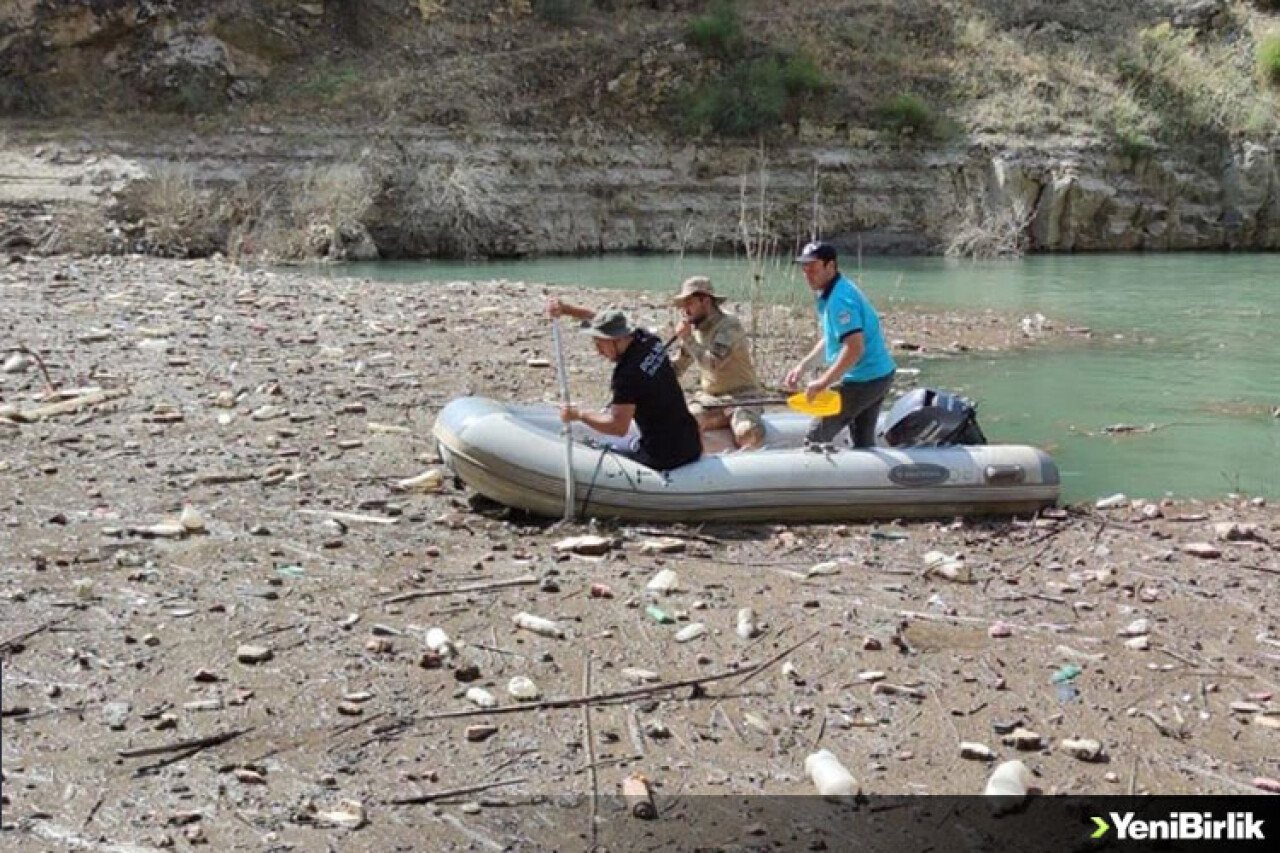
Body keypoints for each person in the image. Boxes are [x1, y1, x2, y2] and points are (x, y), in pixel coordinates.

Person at [547, 298, 702, 471]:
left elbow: (618, 427)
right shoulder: (649, 339)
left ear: (617, 339)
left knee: (597, 447)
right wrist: (567, 309)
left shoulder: (626, 376)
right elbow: (602, 319)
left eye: (600, 344)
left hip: (663, 457)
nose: (598, 352)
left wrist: (579, 415)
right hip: (691, 442)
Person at [784, 241, 896, 448]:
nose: (808, 273)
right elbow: (833, 337)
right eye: (804, 268)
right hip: (879, 375)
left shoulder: (839, 299)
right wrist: (803, 366)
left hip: (864, 379)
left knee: (815, 437)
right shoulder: (834, 290)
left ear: (830, 266)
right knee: (862, 442)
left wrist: (823, 382)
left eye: (814, 267)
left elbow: (854, 348)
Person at [668, 276, 767, 450]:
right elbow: (679, 366)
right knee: (683, 426)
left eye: (689, 304)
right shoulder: (695, 329)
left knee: (747, 432)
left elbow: (713, 363)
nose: (685, 311)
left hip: (743, 397)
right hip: (711, 399)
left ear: (705, 301)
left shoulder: (729, 326)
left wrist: (688, 339)